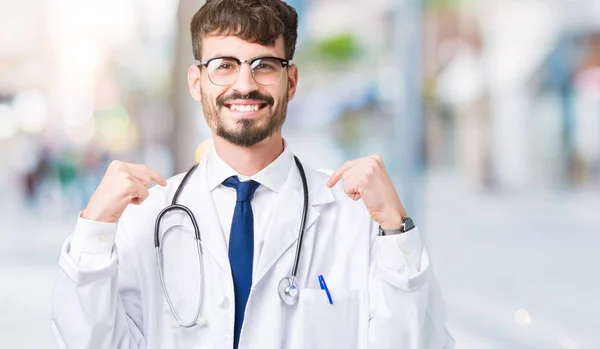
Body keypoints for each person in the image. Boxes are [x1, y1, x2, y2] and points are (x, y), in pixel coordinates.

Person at [51, 0, 455, 348]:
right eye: (223, 66)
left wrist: (396, 230)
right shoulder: (145, 216)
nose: (244, 85)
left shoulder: (355, 218)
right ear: (197, 82)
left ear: (290, 81)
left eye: (264, 65)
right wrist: (93, 229)